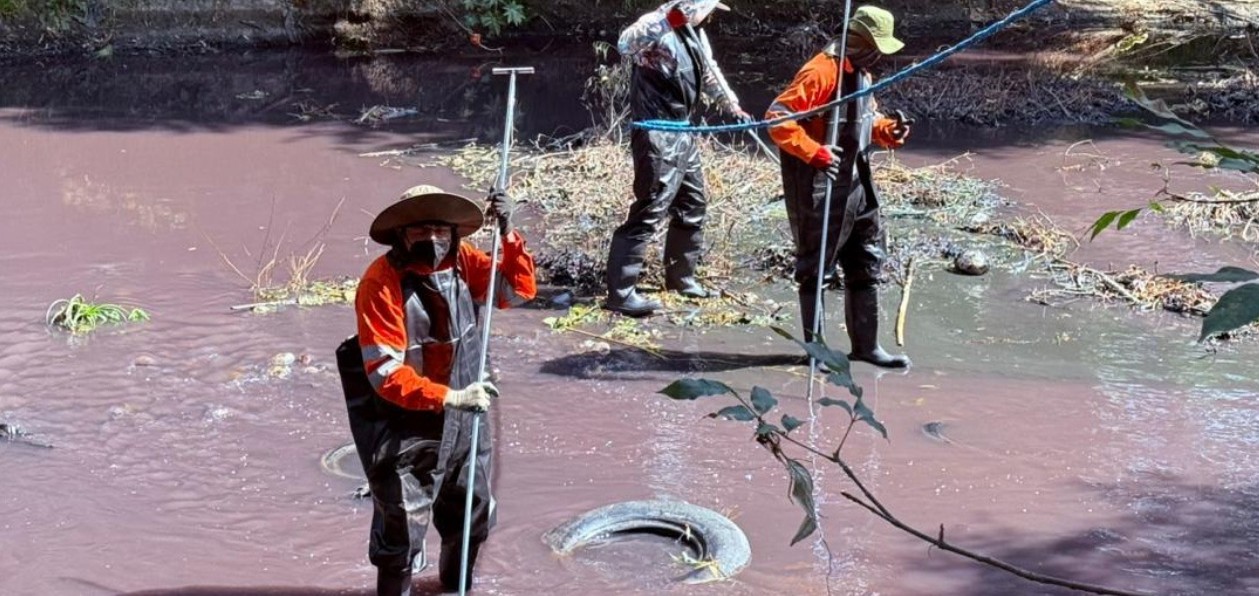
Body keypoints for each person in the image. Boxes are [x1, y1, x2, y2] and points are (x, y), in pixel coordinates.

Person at [334, 184, 536, 595]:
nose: (432, 239)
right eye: (419, 230)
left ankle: (454, 588)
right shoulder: (381, 282)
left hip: (466, 422)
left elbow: (516, 291)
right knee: (400, 537)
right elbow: (385, 372)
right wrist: (449, 396)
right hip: (404, 429)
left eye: (440, 229)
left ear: (454, 233)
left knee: (470, 521)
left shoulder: (463, 262)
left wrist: (508, 232)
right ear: (400, 235)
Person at [765, 5, 913, 369]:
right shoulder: (821, 71)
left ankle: (866, 347)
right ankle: (815, 352)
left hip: (858, 181)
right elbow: (778, 119)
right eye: (875, 46)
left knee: (866, 260)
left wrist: (887, 131)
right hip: (821, 184)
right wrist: (815, 152)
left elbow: (868, 117)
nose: (879, 54)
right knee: (816, 270)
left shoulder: (861, 73)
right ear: (857, 40)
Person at [604, 0, 752, 317]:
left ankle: (681, 279)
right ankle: (620, 293)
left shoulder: (695, 34)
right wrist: (668, 21)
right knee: (650, 207)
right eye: (708, 10)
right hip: (656, 133)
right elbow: (625, 43)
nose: (709, 17)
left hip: (683, 132)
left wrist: (733, 106)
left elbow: (711, 73)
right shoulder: (656, 25)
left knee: (693, 204)